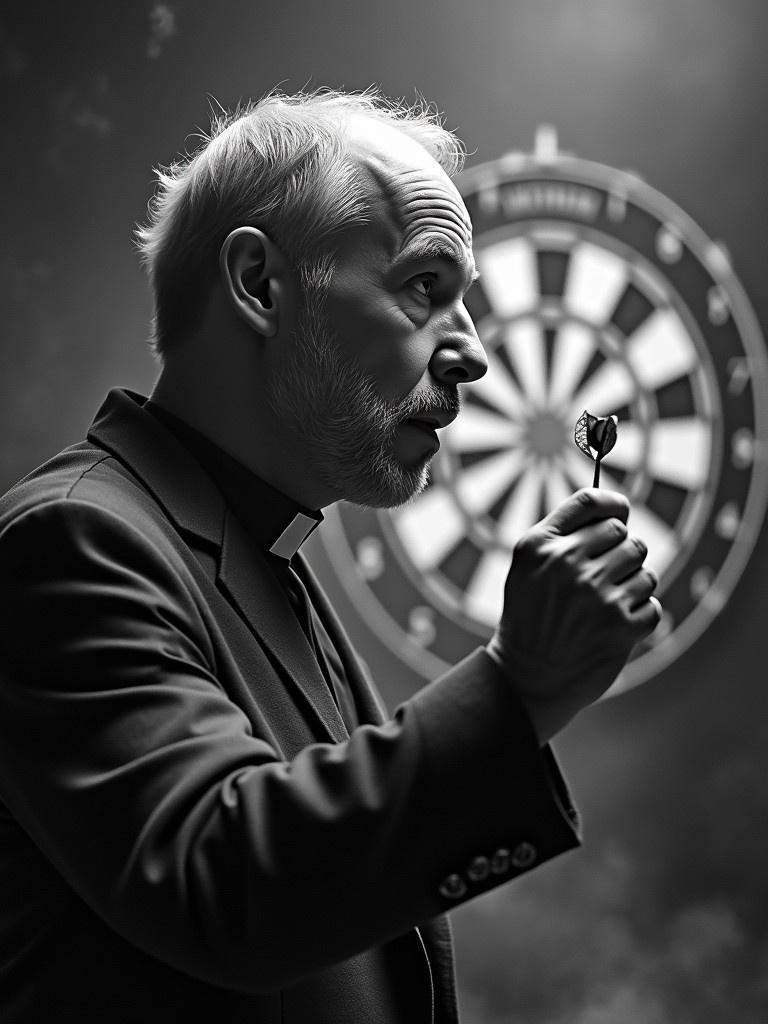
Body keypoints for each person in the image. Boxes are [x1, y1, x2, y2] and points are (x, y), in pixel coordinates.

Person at [0, 89, 660, 1024]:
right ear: (260, 284)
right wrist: (522, 688)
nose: (473, 354)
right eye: (426, 288)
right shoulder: (72, 542)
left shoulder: (261, 554)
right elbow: (221, 883)